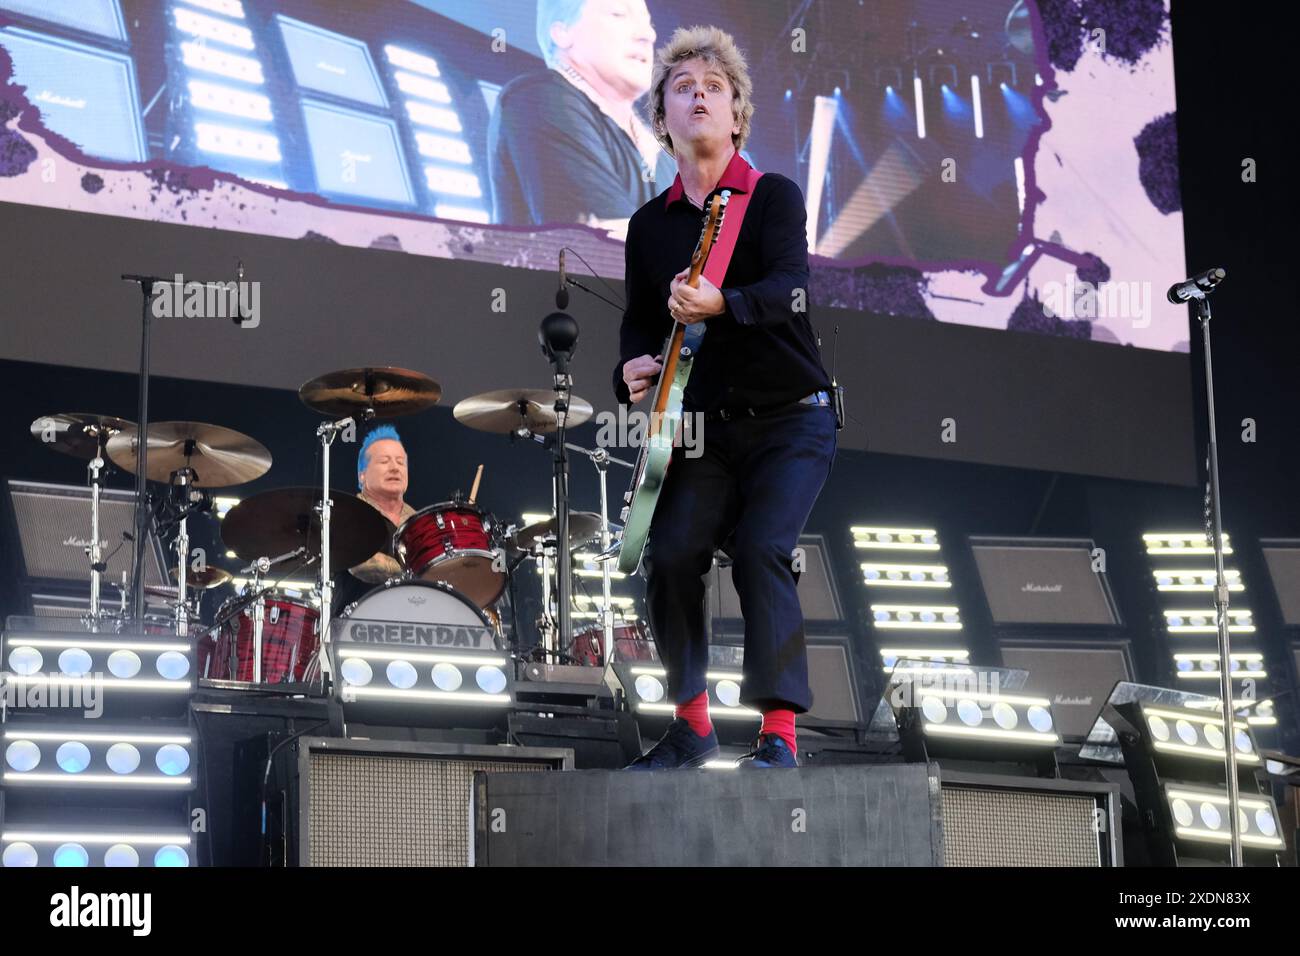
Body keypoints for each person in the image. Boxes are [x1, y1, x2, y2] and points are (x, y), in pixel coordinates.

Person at [613, 26, 836, 770]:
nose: (699, 94)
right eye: (683, 87)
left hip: (790, 420)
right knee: (672, 554)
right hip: (704, 429)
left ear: (737, 114)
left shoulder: (771, 196)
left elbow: (793, 290)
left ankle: (779, 737)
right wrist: (631, 370)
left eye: (714, 86)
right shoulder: (648, 226)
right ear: (662, 118)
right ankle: (692, 726)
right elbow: (639, 322)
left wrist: (723, 305)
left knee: (764, 551)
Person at [487, 0, 676, 237]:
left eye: (649, 23)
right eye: (618, 14)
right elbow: (612, 247)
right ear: (562, 33)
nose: (648, 34)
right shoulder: (541, 99)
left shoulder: (662, 152)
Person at [347, 425, 416, 587]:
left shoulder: (419, 521)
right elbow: (362, 563)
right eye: (384, 461)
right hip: (358, 611)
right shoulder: (348, 512)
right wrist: (422, 573)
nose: (395, 468)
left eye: (401, 463)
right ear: (362, 475)